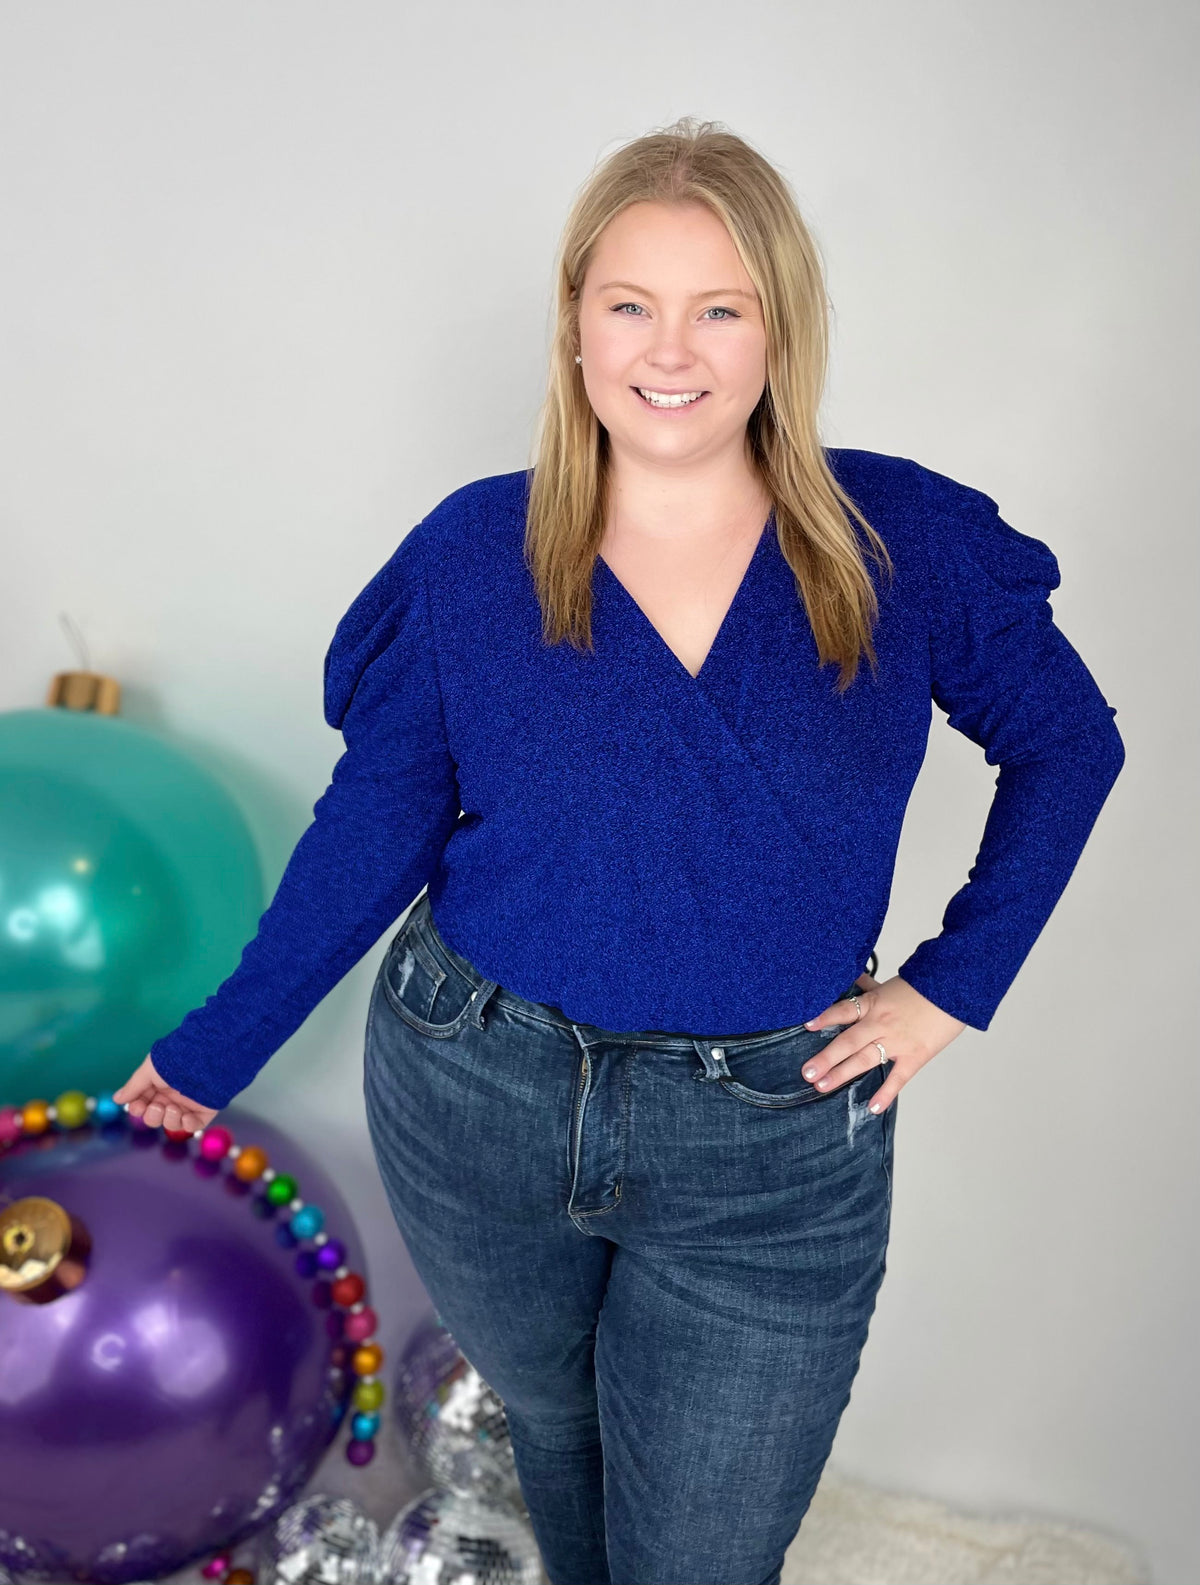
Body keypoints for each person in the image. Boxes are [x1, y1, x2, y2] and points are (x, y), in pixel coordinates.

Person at [113, 117, 1125, 1585]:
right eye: (631, 304)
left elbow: (1070, 745)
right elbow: (375, 827)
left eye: (722, 309)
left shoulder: (898, 541)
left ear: (781, 330)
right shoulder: (477, 555)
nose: (672, 350)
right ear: (576, 325)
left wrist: (954, 984)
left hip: (767, 1143)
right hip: (480, 1090)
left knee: (698, 1554)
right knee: (561, 1436)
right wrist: (212, 1053)